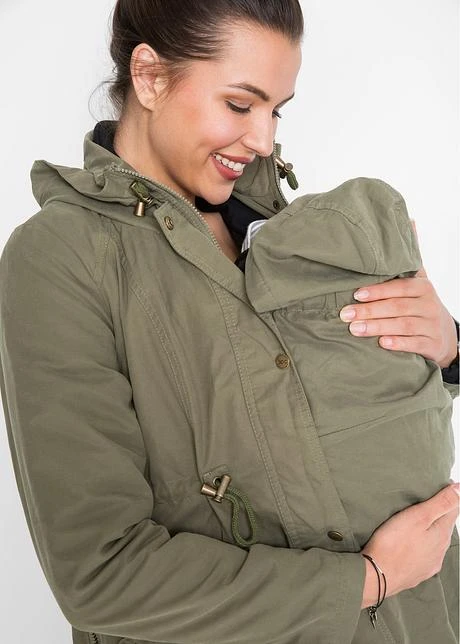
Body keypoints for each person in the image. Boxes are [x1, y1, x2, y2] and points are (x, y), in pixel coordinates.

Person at [0, 1, 458, 643]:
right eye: (241, 105)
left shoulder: (282, 228)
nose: (264, 140)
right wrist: (366, 580)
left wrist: (445, 346)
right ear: (150, 77)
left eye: (277, 111)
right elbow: (99, 574)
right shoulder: (62, 257)